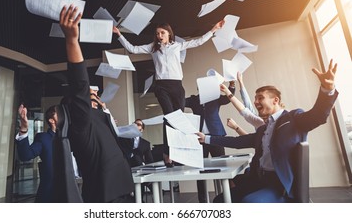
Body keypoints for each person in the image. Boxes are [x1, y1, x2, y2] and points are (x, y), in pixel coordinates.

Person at [197, 60, 338, 202]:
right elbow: (237, 142)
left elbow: (318, 116)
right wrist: (206, 138)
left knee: (249, 202)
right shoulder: (263, 129)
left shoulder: (293, 119)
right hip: (259, 180)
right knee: (219, 201)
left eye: (260, 98)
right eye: (255, 99)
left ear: (275, 100)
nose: (256, 102)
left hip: (280, 186)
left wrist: (327, 90)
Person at [113, 19, 226, 165]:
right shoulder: (153, 48)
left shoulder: (177, 46)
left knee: (177, 119)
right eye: (157, 33)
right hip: (161, 86)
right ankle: (167, 153)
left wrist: (214, 30)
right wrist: (119, 34)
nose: (160, 35)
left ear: (169, 34)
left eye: (162, 33)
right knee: (169, 117)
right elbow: (133, 49)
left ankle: (177, 151)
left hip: (177, 86)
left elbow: (198, 42)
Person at [59, 4, 134, 203]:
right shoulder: (82, 125)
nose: (95, 96)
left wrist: (103, 107)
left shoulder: (100, 118)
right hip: (106, 198)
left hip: (123, 190)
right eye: (90, 97)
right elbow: (79, 85)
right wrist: (72, 40)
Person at [185, 80, 236, 202]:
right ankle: (203, 200)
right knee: (200, 170)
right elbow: (180, 101)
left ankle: (229, 196)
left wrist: (232, 86)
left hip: (216, 137)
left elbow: (228, 99)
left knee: (223, 167)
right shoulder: (193, 100)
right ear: (198, 88)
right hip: (199, 139)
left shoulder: (215, 98)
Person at [15, 104, 57, 203]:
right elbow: (25, 155)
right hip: (50, 196)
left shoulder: (73, 137)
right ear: (52, 120)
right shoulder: (44, 138)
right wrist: (24, 128)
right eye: (59, 113)